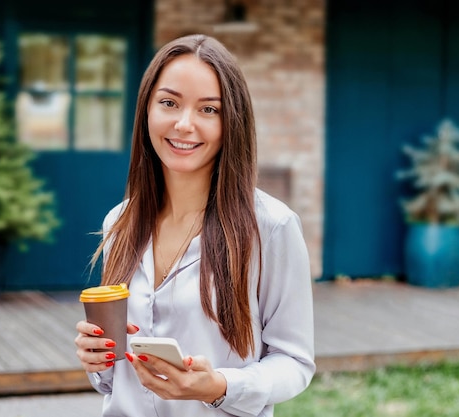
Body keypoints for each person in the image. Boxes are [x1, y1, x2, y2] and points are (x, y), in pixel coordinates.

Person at [74, 33, 315, 417]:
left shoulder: (271, 227)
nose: (184, 124)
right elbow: (113, 380)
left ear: (231, 121)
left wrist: (219, 387)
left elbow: (295, 363)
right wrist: (98, 358)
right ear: (147, 111)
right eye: (169, 103)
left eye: (208, 110)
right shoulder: (119, 221)